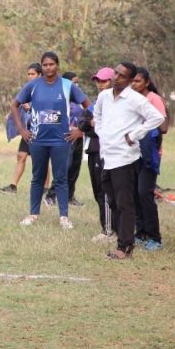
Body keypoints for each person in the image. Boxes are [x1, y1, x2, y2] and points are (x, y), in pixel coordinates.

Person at [11, 52, 90, 229]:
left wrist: (81, 129)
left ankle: (64, 217)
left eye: (51, 64)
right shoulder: (33, 85)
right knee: (37, 178)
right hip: (37, 140)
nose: (48, 68)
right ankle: (33, 214)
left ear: (57, 65)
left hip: (61, 141)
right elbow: (14, 105)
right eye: (45, 65)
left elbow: (88, 105)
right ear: (42, 67)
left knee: (61, 179)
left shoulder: (68, 85)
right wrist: (22, 129)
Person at [94, 62, 164, 260]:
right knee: (113, 202)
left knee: (125, 204)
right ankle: (123, 238)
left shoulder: (135, 99)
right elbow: (97, 116)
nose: (116, 77)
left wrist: (135, 134)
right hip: (107, 156)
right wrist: (101, 133)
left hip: (125, 158)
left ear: (129, 80)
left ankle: (125, 247)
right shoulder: (104, 96)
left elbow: (156, 118)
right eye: (115, 73)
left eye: (122, 76)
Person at [131, 67, 169, 251]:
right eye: (132, 81)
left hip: (149, 154)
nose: (134, 84)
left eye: (137, 81)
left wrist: (145, 126)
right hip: (132, 153)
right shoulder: (130, 99)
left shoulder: (153, 99)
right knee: (134, 194)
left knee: (145, 193)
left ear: (146, 82)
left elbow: (163, 127)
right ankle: (141, 233)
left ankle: (155, 237)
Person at [78, 67, 118, 241]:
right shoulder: (95, 104)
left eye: (104, 81)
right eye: (98, 81)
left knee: (108, 191)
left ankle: (110, 231)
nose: (100, 85)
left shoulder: (118, 103)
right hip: (94, 151)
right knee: (98, 192)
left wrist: (95, 125)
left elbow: (110, 128)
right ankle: (106, 228)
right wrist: (92, 124)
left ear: (113, 81)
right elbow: (83, 125)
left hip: (110, 152)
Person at [44, 71, 85, 207]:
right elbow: (49, 115)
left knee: (75, 168)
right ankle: (51, 195)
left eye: (78, 81)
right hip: (65, 137)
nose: (77, 84)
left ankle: (69, 196)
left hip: (79, 138)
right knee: (64, 168)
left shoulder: (79, 99)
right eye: (74, 82)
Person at [0, 63, 42, 194]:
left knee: (41, 161)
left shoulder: (45, 89)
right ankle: (13, 186)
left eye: (33, 74)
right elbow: (17, 104)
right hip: (27, 130)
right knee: (21, 156)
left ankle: (45, 189)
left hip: (41, 131)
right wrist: (11, 114)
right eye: (28, 74)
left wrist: (34, 107)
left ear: (40, 75)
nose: (30, 76)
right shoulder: (27, 89)